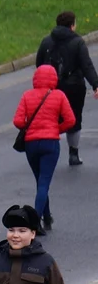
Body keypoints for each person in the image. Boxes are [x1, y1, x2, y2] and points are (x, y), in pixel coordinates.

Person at [13, 65, 76, 234]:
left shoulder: (27, 95)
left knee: (40, 181)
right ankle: (34, 223)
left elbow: (18, 121)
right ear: (54, 79)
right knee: (44, 182)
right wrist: (56, 129)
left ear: (35, 79)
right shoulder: (59, 95)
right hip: (50, 144)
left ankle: (46, 218)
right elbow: (70, 120)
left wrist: (30, 128)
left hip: (31, 144)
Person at [36, 11, 98, 167]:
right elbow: (86, 66)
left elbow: (39, 64)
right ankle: (73, 153)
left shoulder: (46, 41)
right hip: (74, 87)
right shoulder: (78, 42)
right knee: (74, 118)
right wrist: (96, 84)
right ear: (72, 26)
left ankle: (48, 151)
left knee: (50, 119)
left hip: (51, 89)